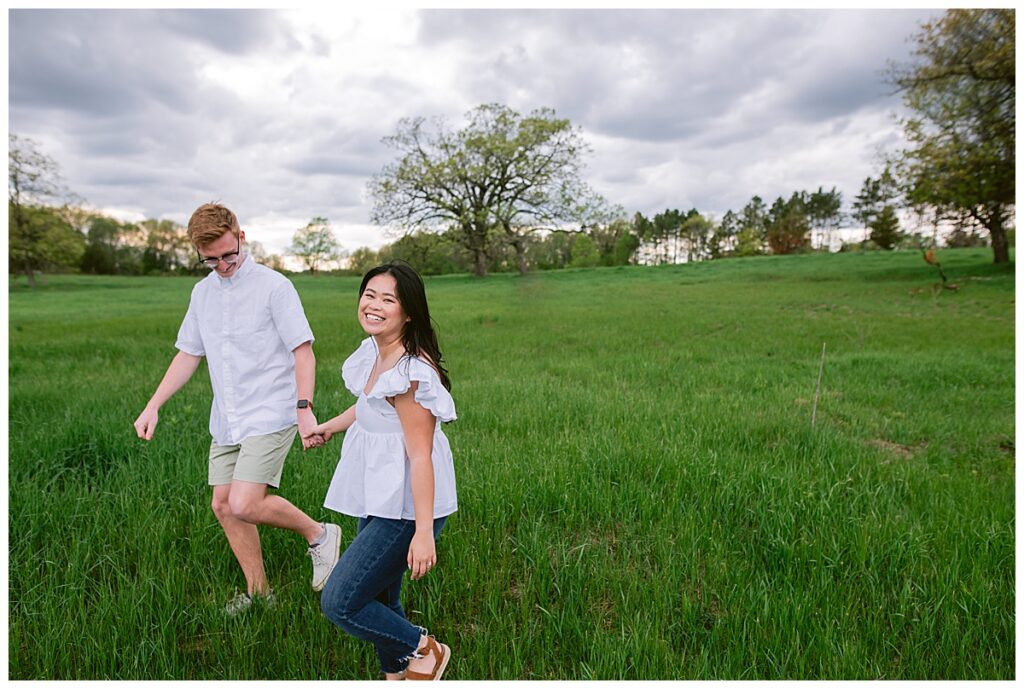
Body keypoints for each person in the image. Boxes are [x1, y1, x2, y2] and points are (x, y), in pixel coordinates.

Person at [132, 202, 341, 615]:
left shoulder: (274, 287)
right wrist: (153, 405)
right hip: (228, 417)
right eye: (211, 260)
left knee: (245, 502)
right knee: (224, 505)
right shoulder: (202, 294)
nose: (223, 266)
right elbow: (188, 354)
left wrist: (304, 409)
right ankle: (259, 594)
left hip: (271, 409)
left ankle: (319, 535)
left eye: (229, 254)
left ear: (241, 236)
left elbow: (303, 351)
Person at [308, 261, 457, 681]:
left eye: (388, 299)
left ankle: (424, 649)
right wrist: (331, 426)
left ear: (408, 312)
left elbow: (421, 456)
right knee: (380, 597)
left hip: (407, 505)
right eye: (369, 294)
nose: (373, 305)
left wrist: (424, 533)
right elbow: (370, 405)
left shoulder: (410, 374)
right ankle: (397, 676)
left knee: (341, 602)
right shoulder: (376, 351)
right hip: (380, 490)